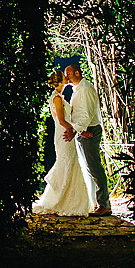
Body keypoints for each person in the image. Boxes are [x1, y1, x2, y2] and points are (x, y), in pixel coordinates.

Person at [33, 71, 95, 215]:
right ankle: (60, 200)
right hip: (64, 135)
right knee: (66, 163)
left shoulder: (59, 97)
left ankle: (70, 199)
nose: (66, 78)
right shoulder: (57, 98)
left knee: (70, 164)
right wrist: (78, 131)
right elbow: (61, 120)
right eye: (64, 77)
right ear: (60, 81)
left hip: (65, 133)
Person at [63, 64, 112, 216]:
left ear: (77, 73)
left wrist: (78, 130)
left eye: (68, 74)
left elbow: (87, 114)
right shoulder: (78, 89)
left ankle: (104, 204)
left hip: (89, 131)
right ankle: (96, 202)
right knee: (88, 169)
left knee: (94, 167)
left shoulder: (85, 89)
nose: (66, 77)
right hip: (83, 130)